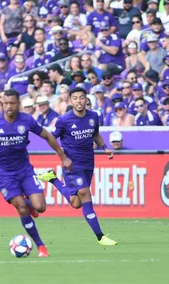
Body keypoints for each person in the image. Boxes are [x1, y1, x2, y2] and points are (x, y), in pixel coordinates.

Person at [0, 89, 72, 258]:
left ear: (18, 104)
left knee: (40, 207)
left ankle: (30, 204)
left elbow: (47, 136)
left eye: (12, 103)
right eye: (5, 103)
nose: (8, 107)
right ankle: (41, 246)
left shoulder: (26, 120)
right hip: (5, 174)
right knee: (21, 207)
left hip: (25, 170)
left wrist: (63, 157)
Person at [37, 87, 117, 246]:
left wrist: (104, 146)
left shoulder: (93, 116)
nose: (79, 101)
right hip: (72, 165)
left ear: (86, 99)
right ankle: (100, 237)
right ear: (71, 100)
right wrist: (63, 157)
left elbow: (95, 134)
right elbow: (51, 139)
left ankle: (53, 179)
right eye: (75, 98)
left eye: (81, 97)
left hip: (88, 163)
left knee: (76, 203)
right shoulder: (64, 120)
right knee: (85, 194)